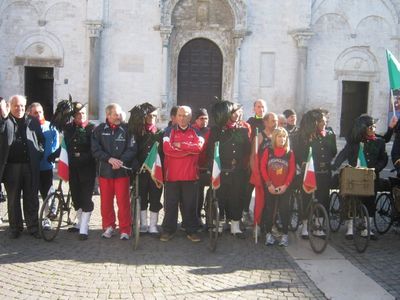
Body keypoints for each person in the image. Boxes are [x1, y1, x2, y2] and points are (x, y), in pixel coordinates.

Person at [333, 114, 387, 240]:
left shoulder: (379, 142)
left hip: (372, 176)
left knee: (370, 202)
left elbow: (383, 159)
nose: (373, 128)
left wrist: (376, 169)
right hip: (354, 175)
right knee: (351, 200)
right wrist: (334, 166)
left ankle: (368, 228)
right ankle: (350, 227)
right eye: (370, 126)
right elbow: (343, 155)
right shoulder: (353, 143)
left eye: (374, 126)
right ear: (363, 128)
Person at [0, 95, 44, 239]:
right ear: (10, 106)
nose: (19, 109)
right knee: (13, 199)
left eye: (22, 106)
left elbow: (40, 139)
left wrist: (39, 151)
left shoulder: (32, 121)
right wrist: (4, 117)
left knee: (31, 197)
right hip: (11, 167)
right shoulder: (5, 121)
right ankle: (15, 227)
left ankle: (32, 227)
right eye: (16, 106)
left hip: (30, 166)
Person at [92, 103, 137, 240]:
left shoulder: (128, 129)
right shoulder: (99, 130)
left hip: (122, 172)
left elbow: (132, 148)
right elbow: (95, 150)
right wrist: (109, 159)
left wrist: (121, 161)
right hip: (105, 171)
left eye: (119, 113)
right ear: (108, 115)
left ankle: (125, 229)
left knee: (123, 202)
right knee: (106, 202)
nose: (119, 116)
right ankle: (109, 226)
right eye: (115, 114)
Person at [161, 106, 204, 242]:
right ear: (176, 116)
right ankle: (168, 230)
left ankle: (191, 230)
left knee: (190, 204)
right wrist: (188, 150)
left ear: (190, 117)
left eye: (185, 115)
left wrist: (180, 146)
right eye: (180, 115)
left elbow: (198, 148)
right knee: (171, 204)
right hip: (172, 175)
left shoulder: (197, 132)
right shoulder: (168, 131)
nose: (182, 118)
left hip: (190, 175)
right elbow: (167, 150)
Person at [208, 101, 251, 238]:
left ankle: (235, 226)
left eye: (239, 111)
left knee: (236, 198)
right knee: (220, 197)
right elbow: (211, 150)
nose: (237, 114)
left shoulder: (243, 130)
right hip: (221, 170)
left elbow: (247, 150)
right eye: (234, 112)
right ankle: (218, 225)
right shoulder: (216, 130)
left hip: (237, 170)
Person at [293, 109, 337, 239]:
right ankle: (305, 225)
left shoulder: (329, 134)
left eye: (325, 120)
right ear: (314, 122)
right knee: (306, 198)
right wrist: (302, 163)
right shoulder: (304, 135)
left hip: (324, 172)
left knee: (323, 198)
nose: (325, 123)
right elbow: (298, 152)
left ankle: (318, 225)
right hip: (310, 171)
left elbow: (333, 151)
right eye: (322, 121)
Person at [61, 102, 96, 240]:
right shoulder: (69, 128)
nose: (80, 116)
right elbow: (65, 145)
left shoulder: (92, 129)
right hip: (73, 168)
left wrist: (82, 157)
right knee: (76, 197)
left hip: (87, 167)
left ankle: (84, 227)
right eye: (77, 114)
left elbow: (94, 149)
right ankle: (79, 222)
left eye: (83, 113)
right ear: (73, 116)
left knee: (86, 197)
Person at [128, 102, 164, 234]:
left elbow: (163, 154)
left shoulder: (160, 133)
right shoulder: (137, 133)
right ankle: (143, 224)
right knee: (142, 197)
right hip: (141, 171)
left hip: (156, 172)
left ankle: (153, 225)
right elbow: (133, 151)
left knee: (155, 198)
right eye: (149, 116)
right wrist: (136, 165)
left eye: (154, 116)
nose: (151, 118)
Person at [260, 127, 295, 246]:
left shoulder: (289, 153)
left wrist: (285, 186)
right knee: (269, 210)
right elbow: (263, 168)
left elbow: (291, 171)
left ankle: (285, 235)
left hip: (284, 187)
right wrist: (269, 184)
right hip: (270, 187)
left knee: (284, 211)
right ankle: (268, 234)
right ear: (275, 138)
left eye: (284, 136)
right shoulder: (268, 151)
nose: (282, 139)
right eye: (280, 136)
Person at [28, 102, 59, 230]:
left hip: (46, 166)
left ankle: (46, 218)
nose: (38, 114)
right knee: (32, 194)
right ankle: (33, 218)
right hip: (31, 167)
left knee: (46, 194)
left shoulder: (51, 127)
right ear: (29, 114)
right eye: (35, 112)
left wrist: (53, 158)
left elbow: (56, 146)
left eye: (40, 112)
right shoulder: (27, 127)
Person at [192, 108, 211, 228]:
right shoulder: (192, 130)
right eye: (201, 118)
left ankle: (210, 215)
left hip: (207, 165)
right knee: (197, 193)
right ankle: (197, 216)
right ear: (196, 119)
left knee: (211, 191)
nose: (204, 121)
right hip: (194, 166)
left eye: (206, 118)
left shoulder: (210, 131)